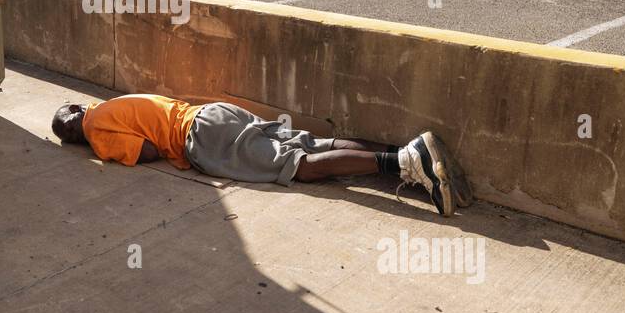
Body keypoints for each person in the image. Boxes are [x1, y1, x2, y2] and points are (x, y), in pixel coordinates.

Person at [51, 94, 472, 217]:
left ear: (73, 124)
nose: (74, 132)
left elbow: (143, 152)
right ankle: (415, 156)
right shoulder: (112, 102)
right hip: (211, 112)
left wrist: (100, 150)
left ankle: (405, 162)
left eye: (68, 130)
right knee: (308, 144)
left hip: (201, 138)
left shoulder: (93, 128)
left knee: (299, 168)